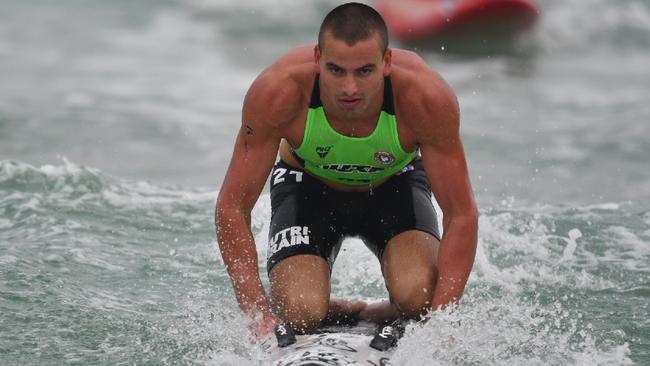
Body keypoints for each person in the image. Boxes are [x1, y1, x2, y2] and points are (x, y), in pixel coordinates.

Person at [215, 2, 478, 342]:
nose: (350, 88)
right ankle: (334, 308)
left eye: (364, 71)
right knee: (299, 311)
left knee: (421, 297)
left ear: (387, 62)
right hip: (307, 188)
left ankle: (392, 308)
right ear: (316, 59)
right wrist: (257, 315)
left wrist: (442, 325)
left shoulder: (424, 99)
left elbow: (462, 214)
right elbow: (232, 207)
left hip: (393, 186)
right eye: (336, 70)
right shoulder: (278, 92)